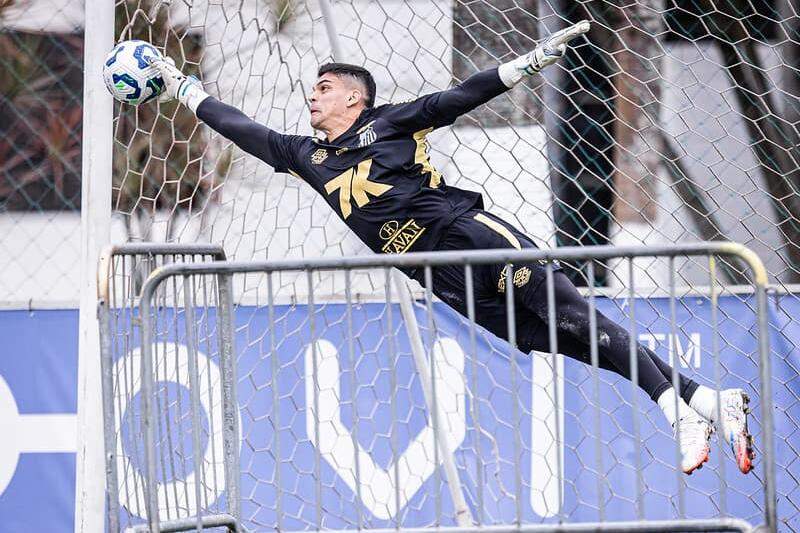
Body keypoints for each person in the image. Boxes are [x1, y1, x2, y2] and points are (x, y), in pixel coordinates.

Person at [150, 20, 753, 475]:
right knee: (549, 339)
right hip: (437, 275)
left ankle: (675, 411)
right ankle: (707, 399)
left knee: (572, 315)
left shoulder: (389, 123)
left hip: (472, 237)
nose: (313, 96)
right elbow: (243, 129)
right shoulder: (306, 156)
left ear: (355, 98)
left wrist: (524, 65)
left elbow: (458, 98)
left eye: (324, 88)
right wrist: (181, 87)